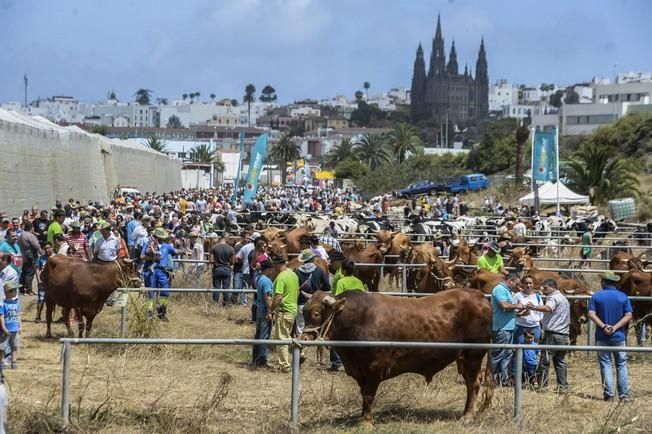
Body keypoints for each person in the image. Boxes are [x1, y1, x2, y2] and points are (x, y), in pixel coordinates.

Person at [588, 272, 632, 402]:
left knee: (605, 364)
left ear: (604, 282)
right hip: (619, 336)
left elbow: (591, 314)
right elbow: (628, 315)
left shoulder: (597, 296)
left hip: (602, 336)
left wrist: (603, 326)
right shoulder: (623, 296)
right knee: (621, 364)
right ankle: (624, 395)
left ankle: (609, 395)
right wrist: (615, 327)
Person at [528, 279, 571, 391]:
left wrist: (534, 307)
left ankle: (543, 386)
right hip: (564, 334)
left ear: (553, 287)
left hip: (552, 334)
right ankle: (562, 386)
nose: (544, 290)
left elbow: (548, 308)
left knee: (544, 361)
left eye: (546, 288)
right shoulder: (564, 298)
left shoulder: (553, 298)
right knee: (560, 362)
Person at [490, 272, 523, 386]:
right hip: (501, 328)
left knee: (507, 354)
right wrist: (517, 306)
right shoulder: (499, 289)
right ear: (510, 281)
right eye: (516, 284)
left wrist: (519, 313)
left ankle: (502, 379)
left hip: (507, 327)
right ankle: (490, 378)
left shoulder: (507, 291)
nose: (517, 287)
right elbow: (504, 306)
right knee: (498, 355)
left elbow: (508, 309)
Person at [141, 228, 178, 321]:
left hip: (162, 271)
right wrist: (153, 257)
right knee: (150, 294)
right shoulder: (149, 244)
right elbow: (142, 256)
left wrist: (184, 251)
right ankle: (149, 313)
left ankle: (162, 312)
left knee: (165, 292)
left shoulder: (167, 246)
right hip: (151, 271)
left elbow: (175, 251)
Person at [271, 256, 300, 373]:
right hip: (292, 310)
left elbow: (278, 297)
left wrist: (271, 309)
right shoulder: (294, 275)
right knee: (287, 336)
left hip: (283, 311)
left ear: (277, 265)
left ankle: (285, 365)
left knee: (282, 339)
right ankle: (300, 352)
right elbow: (297, 292)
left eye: (274, 265)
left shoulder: (280, 277)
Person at [294, 249, 330, 338]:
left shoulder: (297, 271)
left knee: (300, 325)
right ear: (313, 259)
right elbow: (327, 287)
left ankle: (299, 348)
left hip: (301, 301)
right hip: (315, 303)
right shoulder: (319, 270)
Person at [251, 260, 274, 369]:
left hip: (259, 308)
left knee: (259, 334)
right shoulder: (266, 281)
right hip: (264, 309)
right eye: (271, 269)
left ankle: (255, 359)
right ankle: (262, 360)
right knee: (264, 335)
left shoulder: (259, 279)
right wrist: (270, 311)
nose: (272, 271)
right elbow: (267, 297)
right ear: (268, 269)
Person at [514, 277, 543, 344]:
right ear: (523, 284)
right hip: (521, 326)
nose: (528, 285)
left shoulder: (537, 297)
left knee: (533, 349)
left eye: (530, 283)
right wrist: (521, 314)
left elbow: (540, 311)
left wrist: (536, 319)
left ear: (533, 284)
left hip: (535, 326)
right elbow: (512, 312)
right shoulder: (517, 296)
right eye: (526, 283)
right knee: (520, 349)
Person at [18, 221, 41, 295]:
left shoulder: (21, 235)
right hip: (31, 256)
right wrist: (43, 255)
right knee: (30, 274)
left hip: (23, 256)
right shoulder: (30, 236)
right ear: (32, 228)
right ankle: (29, 290)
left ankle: (21, 289)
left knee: (23, 273)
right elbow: (37, 246)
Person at [211, 236, 235, 305]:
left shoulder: (214, 247)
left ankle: (215, 303)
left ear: (219, 240)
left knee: (216, 287)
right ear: (226, 240)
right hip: (226, 269)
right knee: (226, 287)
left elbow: (211, 260)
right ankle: (226, 302)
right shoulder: (231, 248)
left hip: (217, 269)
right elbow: (233, 262)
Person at [2, 282, 21, 369]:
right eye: (14, 290)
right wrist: (4, 328)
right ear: (8, 292)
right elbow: (1, 317)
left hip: (15, 328)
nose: (16, 291)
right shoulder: (3, 304)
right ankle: (2, 361)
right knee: (3, 346)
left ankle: (14, 362)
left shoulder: (17, 303)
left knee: (15, 345)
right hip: (6, 329)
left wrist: (20, 326)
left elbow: (18, 315)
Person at [35, 243, 53, 323]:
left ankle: (50, 317)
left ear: (52, 248)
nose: (47, 250)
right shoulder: (41, 258)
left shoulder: (55, 257)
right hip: (43, 282)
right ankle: (38, 316)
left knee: (52, 300)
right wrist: (38, 280)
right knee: (41, 299)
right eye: (45, 248)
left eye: (48, 248)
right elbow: (37, 269)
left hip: (53, 284)